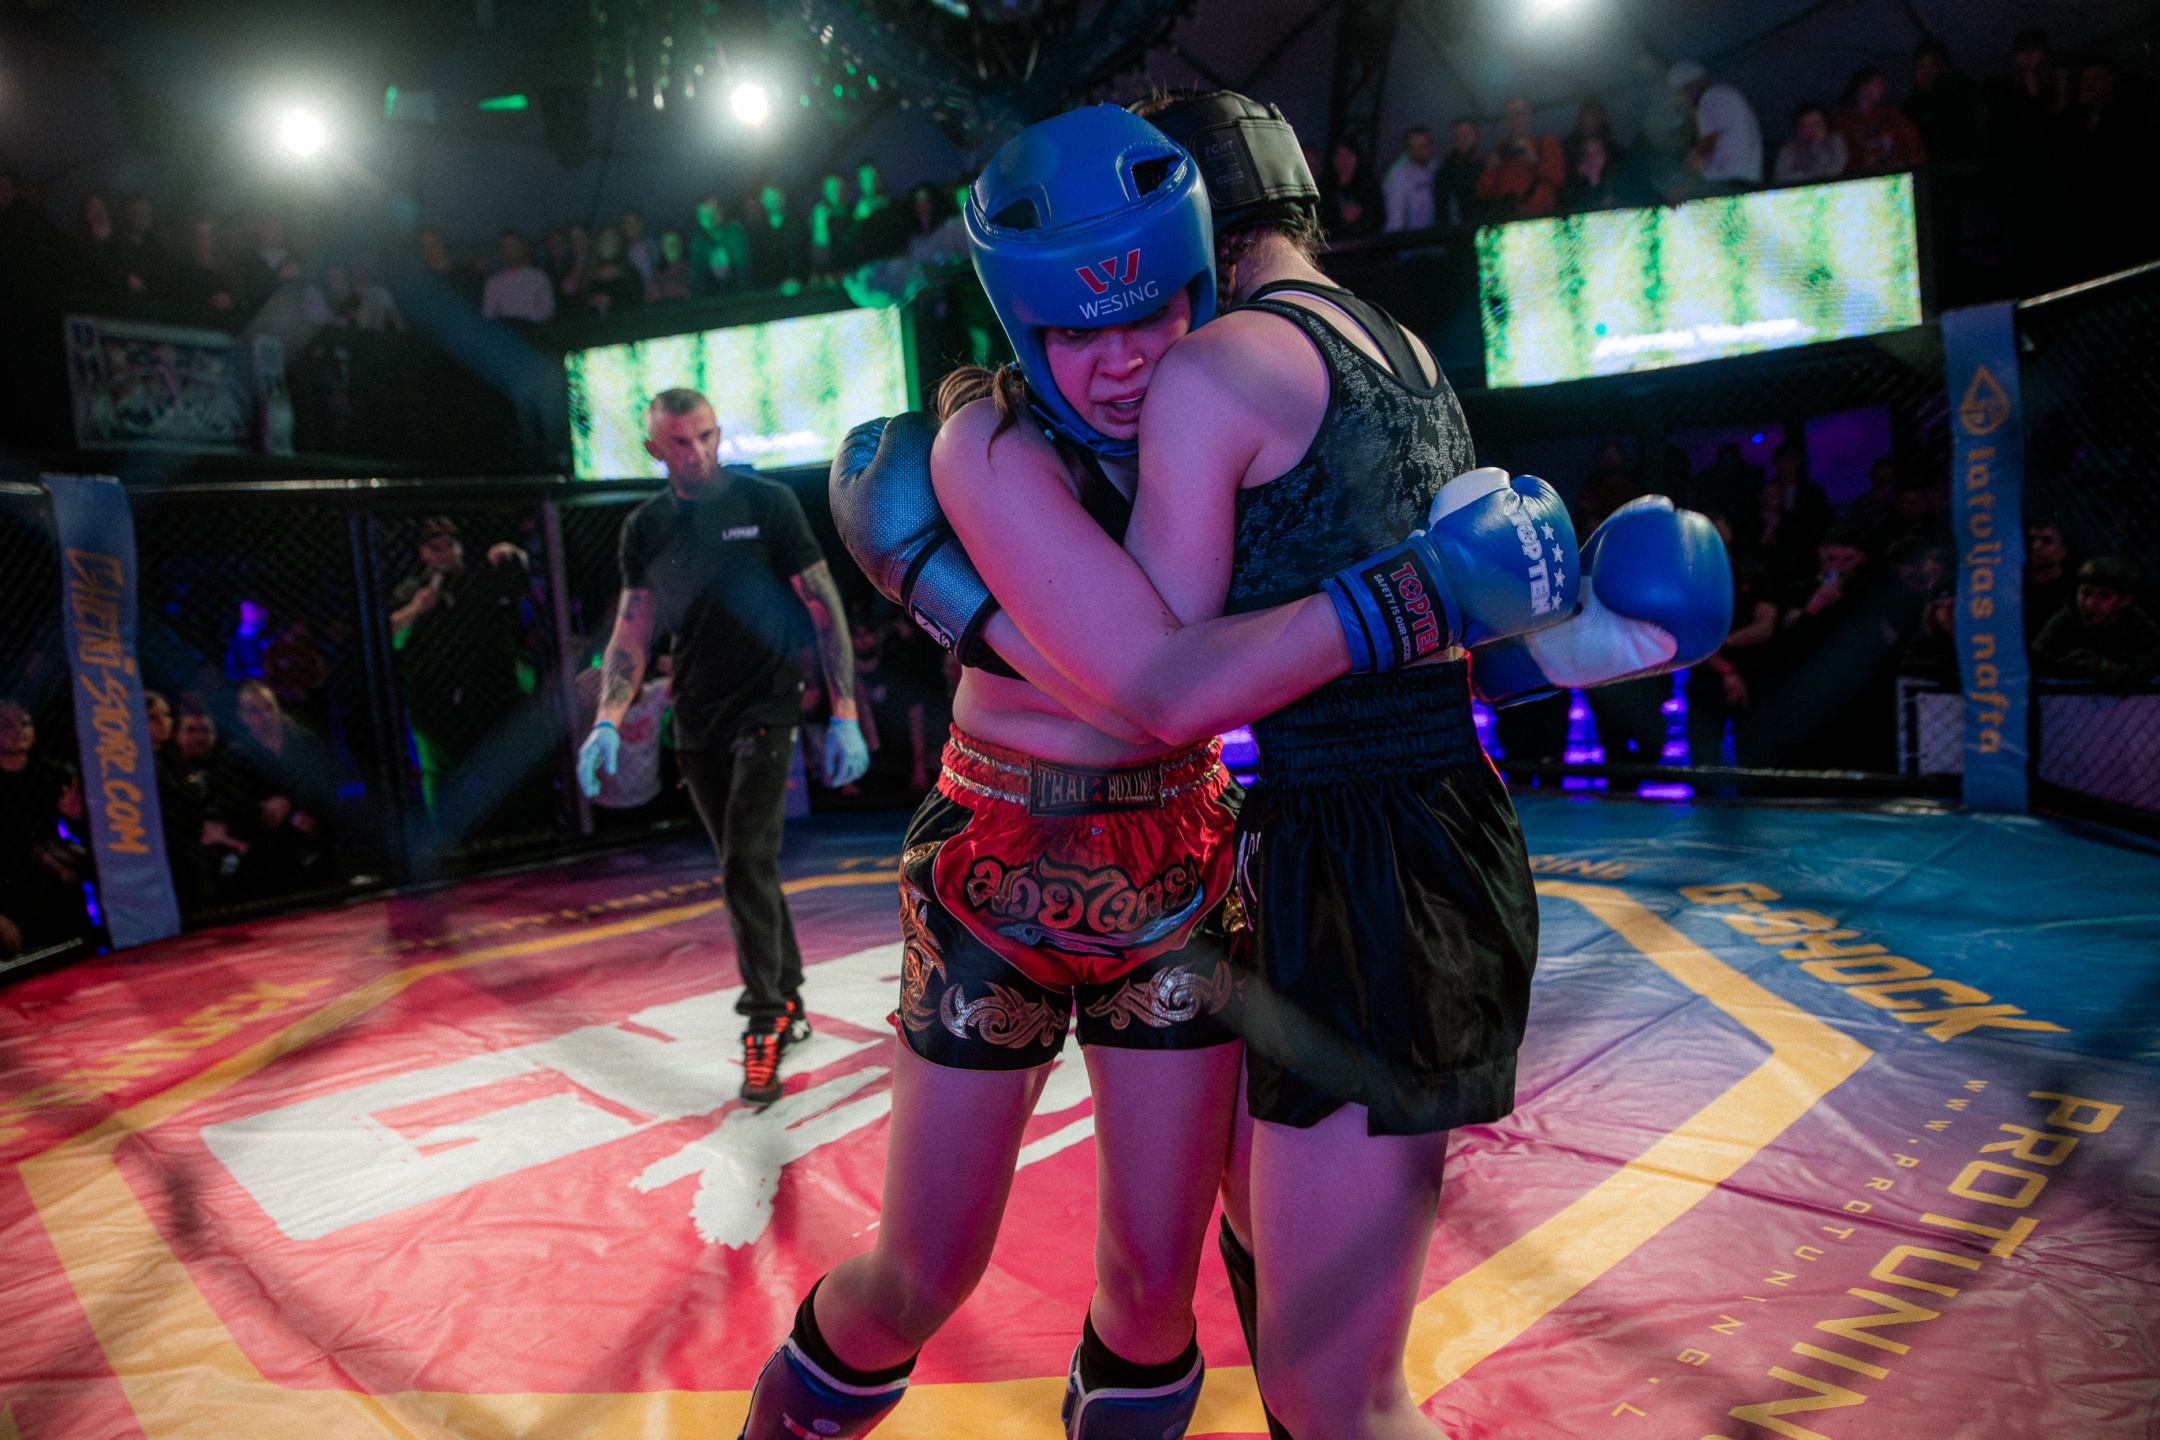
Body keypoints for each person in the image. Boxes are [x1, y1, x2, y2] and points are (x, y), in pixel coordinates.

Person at [757, 95, 1716, 1440]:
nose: (1122, 361)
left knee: (1154, 1295)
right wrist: (1422, 592)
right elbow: (1156, 688)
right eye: (1076, 331)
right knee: (919, 1276)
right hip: (1000, 864)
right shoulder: (991, 445)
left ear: (1200, 273)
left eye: (1152, 312)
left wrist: (1544, 643)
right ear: (1022, 328)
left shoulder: (1221, 407)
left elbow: (1252, 668)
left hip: (1182, 856)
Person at [576, 389, 869, 1107]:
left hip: (767, 704)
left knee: (744, 858)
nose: (698, 452)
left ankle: (764, 1021)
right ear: (656, 449)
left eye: (706, 436)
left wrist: (844, 712)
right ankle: (789, 996)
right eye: (681, 442)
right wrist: (608, 718)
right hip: (696, 715)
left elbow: (822, 603)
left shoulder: (767, 504)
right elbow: (632, 629)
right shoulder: (647, 527)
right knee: (745, 865)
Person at [387, 517, 534, 810]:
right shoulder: (412, 589)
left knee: (498, 772)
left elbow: (524, 585)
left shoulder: (479, 579)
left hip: (487, 695)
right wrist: (417, 608)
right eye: (435, 548)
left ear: (460, 548)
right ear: (423, 553)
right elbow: (391, 637)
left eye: (449, 546)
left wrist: (515, 555)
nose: (443, 554)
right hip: (435, 702)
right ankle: (447, 833)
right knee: (441, 776)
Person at [0, 700, 97, 954]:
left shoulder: (56, 774)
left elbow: (88, 836)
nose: (17, 730)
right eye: (5, 725)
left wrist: (76, 817)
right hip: (12, 896)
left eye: (24, 723)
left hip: (60, 891)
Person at [1685, 513, 1778, 767]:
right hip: (1707, 678)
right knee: (1703, 759)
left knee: (1755, 757)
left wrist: (1722, 643)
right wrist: (1726, 669)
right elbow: (1692, 635)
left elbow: (1765, 627)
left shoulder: (1753, 573)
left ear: (1729, 533)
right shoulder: (1691, 580)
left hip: (1752, 674)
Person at [2032, 558, 2160, 686]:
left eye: (2104, 596)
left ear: (2124, 600)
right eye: (2086, 593)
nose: (2091, 604)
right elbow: (2035, 658)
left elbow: (2140, 671)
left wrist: (2092, 663)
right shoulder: (2067, 618)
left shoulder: (2139, 624)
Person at [1670, 59, 1763, 191]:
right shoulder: (1726, 95)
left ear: (1694, 85)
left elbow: (1706, 145)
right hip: (1744, 182)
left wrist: (1683, 179)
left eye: (1679, 93)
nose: (1680, 101)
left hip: (1729, 183)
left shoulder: (1712, 97)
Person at [1477, 96, 1566, 219]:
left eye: (1520, 113)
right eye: (1509, 116)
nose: (1515, 119)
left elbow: (1559, 178)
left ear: (1529, 115)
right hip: (1507, 221)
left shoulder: (1547, 143)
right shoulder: (1498, 150)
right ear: (1505, 121)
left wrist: (1535, 160)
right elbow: (1483, 193)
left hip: (1542, 218)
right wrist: (1489, 169)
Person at [1837, 66, 1928, 175]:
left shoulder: (1895, 117)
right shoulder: (1844, 123)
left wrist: (1919, 173)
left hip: (1899, 176)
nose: (1884, 88)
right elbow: (1844, 160)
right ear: (1863, 87)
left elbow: (1914, 149)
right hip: (1864, 180)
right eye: (1878, 84)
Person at [1903, 40, 1980, 165]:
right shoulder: (1909, 108)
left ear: (1941, 69)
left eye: (1932, 66)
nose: (1926, 72)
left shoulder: (1955, 99)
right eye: (1921, 66)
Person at [480, 230, 555, 322]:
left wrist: (523, 321)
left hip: (533, 328)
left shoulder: (539, 278)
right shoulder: (493, 282)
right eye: (504, 246)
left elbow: (547, 311)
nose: (509, 250)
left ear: (521, 248)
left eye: (513, 246)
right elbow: (488, 314)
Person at [2023, 521, 2077, 644]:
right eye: (2033, 539)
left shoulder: (2068, 597)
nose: (2036, 546)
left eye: (2047, 541)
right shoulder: (2014, 581)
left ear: (2063, 550)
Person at [747, 183, 809, 290]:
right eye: (769, 197)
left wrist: (795, 279)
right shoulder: (758, 230)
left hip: (800, 285)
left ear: (783, 197)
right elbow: (758, 263)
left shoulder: (798, 223)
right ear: (762, 201)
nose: (773, 200)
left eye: (776, 195)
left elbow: (804, 254)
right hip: (770, 289)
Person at [1320, 140, 1384, 237]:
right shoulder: (1324, 187)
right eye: (1340, 156)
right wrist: (1339, 216)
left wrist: (1360, 216)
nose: (1344, 161)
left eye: (1348, 156)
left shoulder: (1369, 188)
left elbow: (1378, 219)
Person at [1382, 124, 1438, 232]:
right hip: (1411, 239)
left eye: (1423, 145)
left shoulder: (1435, 167)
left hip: (1433, 237)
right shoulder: (1398, 175)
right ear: (1407, 148)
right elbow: (1395, 221)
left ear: (1430, 146)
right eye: (1414, 146)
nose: (1419, 151)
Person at [1775, 102, 1848, 182]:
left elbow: (1837, 169)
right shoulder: (1789, 148)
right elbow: (1781, 175)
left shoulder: (1835, 141)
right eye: (1805, 126)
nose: (1812, 130)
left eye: (1816, 124)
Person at [1432, 117, 1485, 228]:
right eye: (1458, 137)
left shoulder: (1487, 164)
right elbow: (1444, 212)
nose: (1462, 140)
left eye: (1466, 134)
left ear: (1478, 135)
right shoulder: (1447, 172)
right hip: (1462, 232)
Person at [689, 196, 747, 295]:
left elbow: (741, 264)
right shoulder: (698, 241)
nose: (709, 217)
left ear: (721, 211)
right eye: (703, 215)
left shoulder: (734, 232)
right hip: (710, 297)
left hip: (740, 294)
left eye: (712, 212)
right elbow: (698, 272)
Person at [579, 226, 644, 315]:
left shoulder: (630, 272)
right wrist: (592, 302)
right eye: (605, 240)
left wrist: (612, 302)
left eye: (612, 240)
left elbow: (638, 301)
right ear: (597, 244)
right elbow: (578, 304)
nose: (608, 244)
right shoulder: (587, 273)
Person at [808, 172, 850, 276]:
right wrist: (821, 224)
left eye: (838, 187)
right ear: (824, 191)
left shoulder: (853, 212)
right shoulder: (819, 213)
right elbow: (819, 248)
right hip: (826, 271)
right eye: (830, 189)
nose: (835, 192)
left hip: (850, 269)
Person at [617, 207, 657, 300]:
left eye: (634, 223)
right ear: (621, 227)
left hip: (658, 298)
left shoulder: (655, 247)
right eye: (626, 224)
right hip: (633, 299)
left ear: (641, 224)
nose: (630, 227)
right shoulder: (619, 253)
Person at [649, 229, 693, 302]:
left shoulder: (692, 272)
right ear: (661, 248)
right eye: (667, 244)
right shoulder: (657, 275)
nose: (672, 248)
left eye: (675, 244)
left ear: (682, 246)